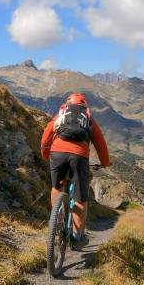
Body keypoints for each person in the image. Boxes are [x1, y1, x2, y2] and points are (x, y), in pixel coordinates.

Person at [40, 92, 110, 249]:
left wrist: (45, 154)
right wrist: (105, 163)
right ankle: (77, 237)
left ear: (67, 105)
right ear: (84, 107)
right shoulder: (88, 119)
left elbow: (46, 135)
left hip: (57, 154)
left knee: (56, 187)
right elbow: (100, 143)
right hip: (79, 157)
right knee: (80, 197)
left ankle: (56, 221)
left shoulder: (61, 115)